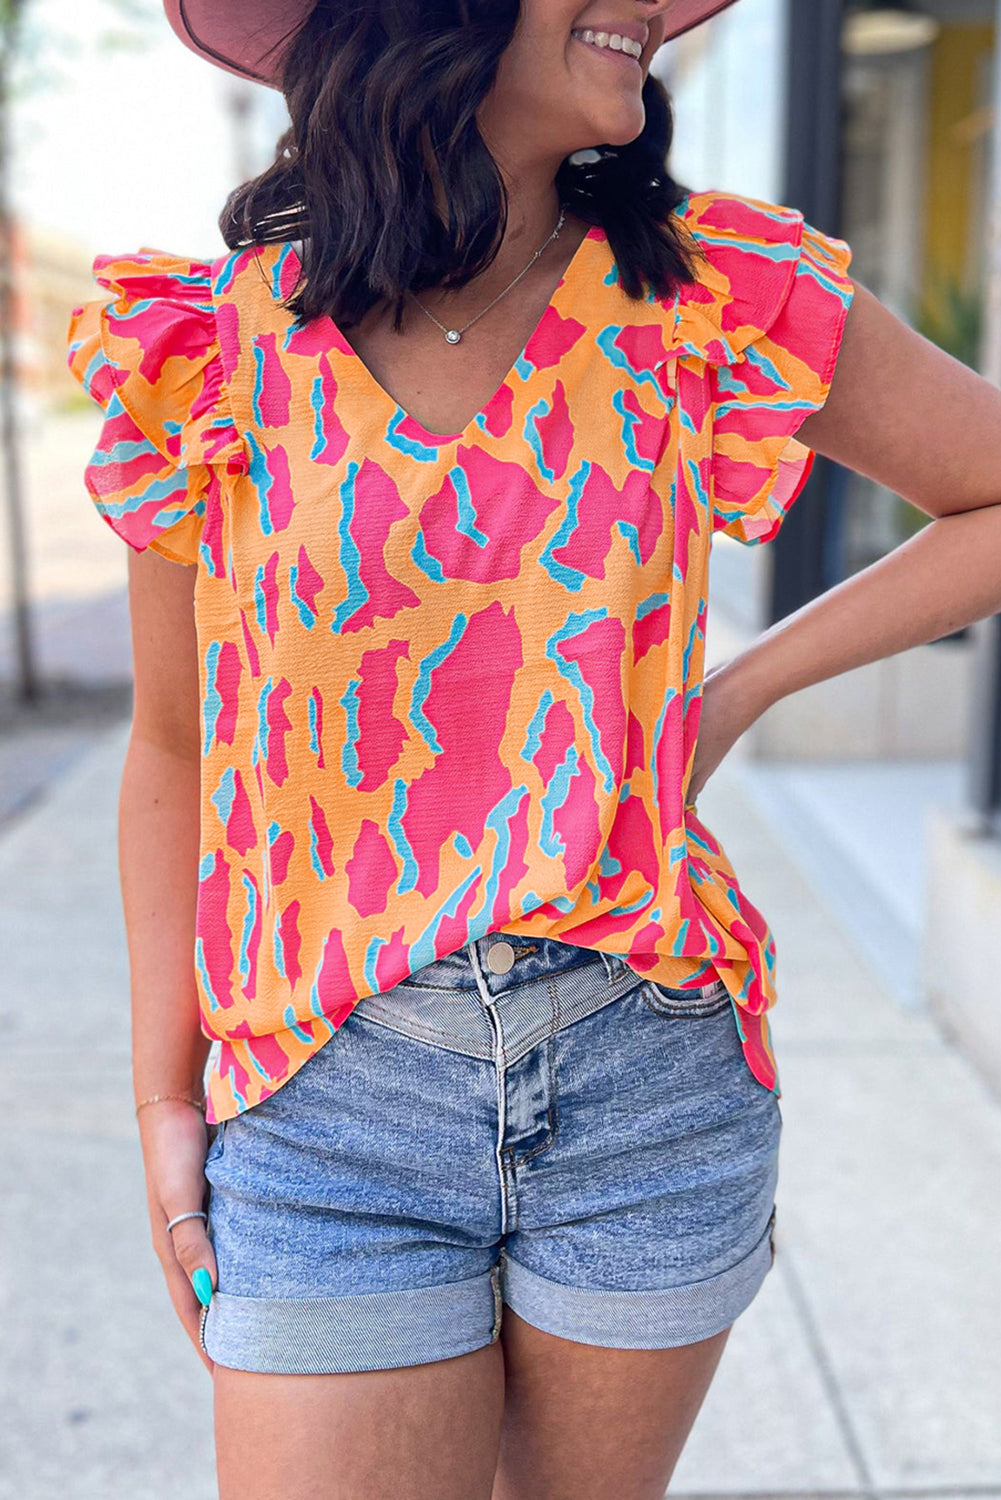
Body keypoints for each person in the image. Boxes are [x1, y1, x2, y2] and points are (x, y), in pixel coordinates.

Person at [65, 0, 1001, 1495]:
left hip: (644, 1078)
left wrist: (741, 687)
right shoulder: (208, 344)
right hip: (327, 1101)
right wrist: (162, 1098)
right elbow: (175, 746)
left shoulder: (711, 297)